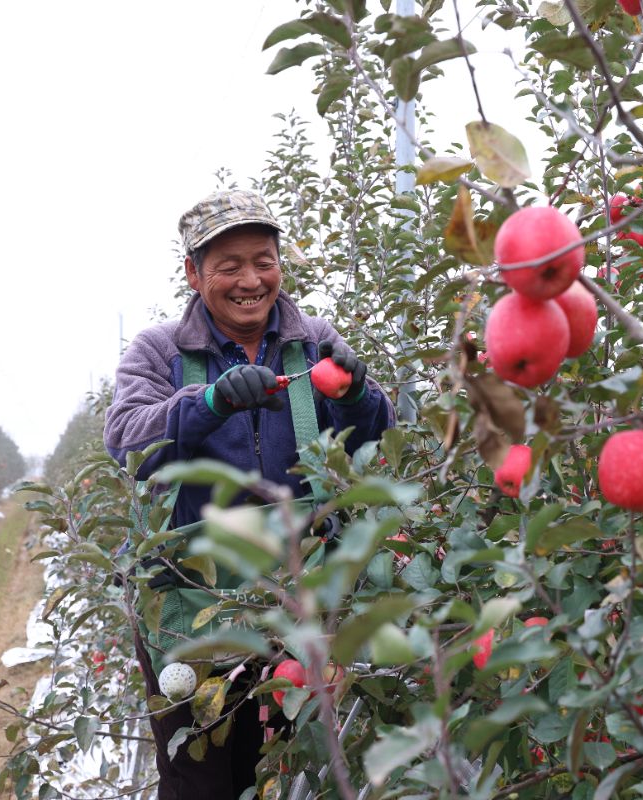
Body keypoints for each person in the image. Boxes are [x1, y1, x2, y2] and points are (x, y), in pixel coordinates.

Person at [104, 189, 394, 798]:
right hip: (193, 601)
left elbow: (375, 444)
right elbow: (127, 442)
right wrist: (206, 402)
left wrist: (359, 398)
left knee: (284, 767)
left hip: (298, 592)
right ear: (193, 273)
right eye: (228, 266)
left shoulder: (312, 341)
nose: (249, 280)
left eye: (262, 260)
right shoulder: (162, 351)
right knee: (199, 773)